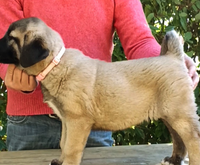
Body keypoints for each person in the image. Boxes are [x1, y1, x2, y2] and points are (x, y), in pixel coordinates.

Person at [0, 0, 198, 151]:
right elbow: (4, 45)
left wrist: (169, 66)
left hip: (94, 114)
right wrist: (7, 72)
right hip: (30, 124)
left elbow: (138, 41)